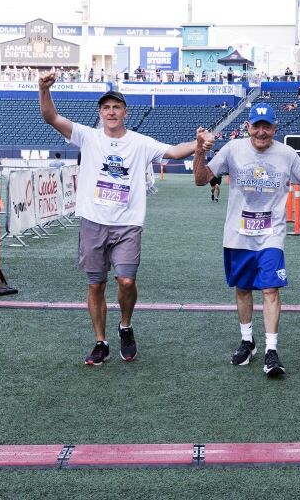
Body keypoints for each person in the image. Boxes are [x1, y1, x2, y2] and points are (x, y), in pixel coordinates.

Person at [38, 72, 214, 366]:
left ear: (125, 112)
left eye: (116, 107)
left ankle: (125, 326)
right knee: (96, 285)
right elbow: (51, 117)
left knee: (127, 281)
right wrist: (43, 90)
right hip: (93, 223)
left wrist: (198, 144)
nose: (111, 112)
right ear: (100, 113)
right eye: (106, 108)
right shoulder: (88, 136)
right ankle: (100, 341)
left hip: (127, 225)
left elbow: (172, 152)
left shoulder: (139, 142)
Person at [193, 103, 300, 377]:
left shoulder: (287, 154)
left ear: (275, 128)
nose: (262, 132)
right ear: (248, 126)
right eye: (257, 126)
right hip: (237, 233)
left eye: (267, 126)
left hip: (271, 233)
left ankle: (271, 350)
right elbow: (202, 180)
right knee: (243, 288)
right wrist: (200, 150)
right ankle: (247, 341)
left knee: (271, 288)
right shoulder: (232, 149)